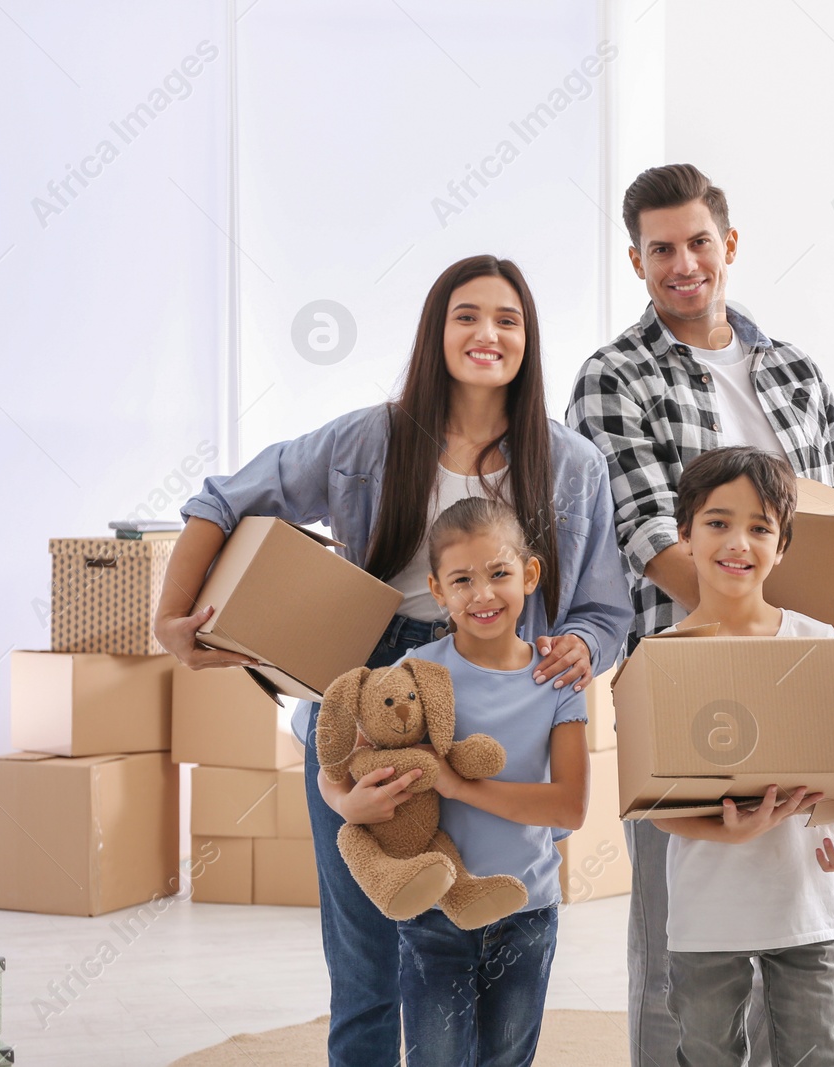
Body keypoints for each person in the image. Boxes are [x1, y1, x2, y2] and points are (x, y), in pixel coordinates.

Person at [155, 255, 631, 1067]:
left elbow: (604, 608)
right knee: (368, 935)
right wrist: (170, 616)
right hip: (376, 685)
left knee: (494, 917)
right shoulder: (369, 437)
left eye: (508, 319)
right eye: (467, 315)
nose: (487, 333)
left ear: (530, 340)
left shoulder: (572, 464)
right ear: (437, 331)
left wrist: (581, 644)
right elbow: (223, 498)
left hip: (502, 695)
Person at [566, 164, 834, 1067]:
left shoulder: (796, 369)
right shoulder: (614, 376)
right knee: (680, 946)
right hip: (690, 680)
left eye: (699, 241)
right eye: (661, 248)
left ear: (728, 245)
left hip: (804, 672)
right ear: (637, 259)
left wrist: (823, 672)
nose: (683, 263)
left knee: (798, 920)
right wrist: (749, 628)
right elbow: (646, 531)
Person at [651, 446, 834, 1066]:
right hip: (707, 913)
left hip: (805, 907)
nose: (739, 542)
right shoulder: (661, 657)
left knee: (817, 1055)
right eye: (718, 522)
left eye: (761, 528)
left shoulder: (820, 644)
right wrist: (724, 834)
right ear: (685, 535)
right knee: (706, 1055)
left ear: (782, 547)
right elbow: (655, 807)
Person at [394, 496, 589, 1066]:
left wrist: (460, 788)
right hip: (434, 911)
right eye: (462, 580)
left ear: (529, 575)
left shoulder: (559, 679)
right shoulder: (414, 676)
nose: (482, 594)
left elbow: (569, 808)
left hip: (525, 911)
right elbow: (359, 768)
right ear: (438, 591)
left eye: (499, 574)